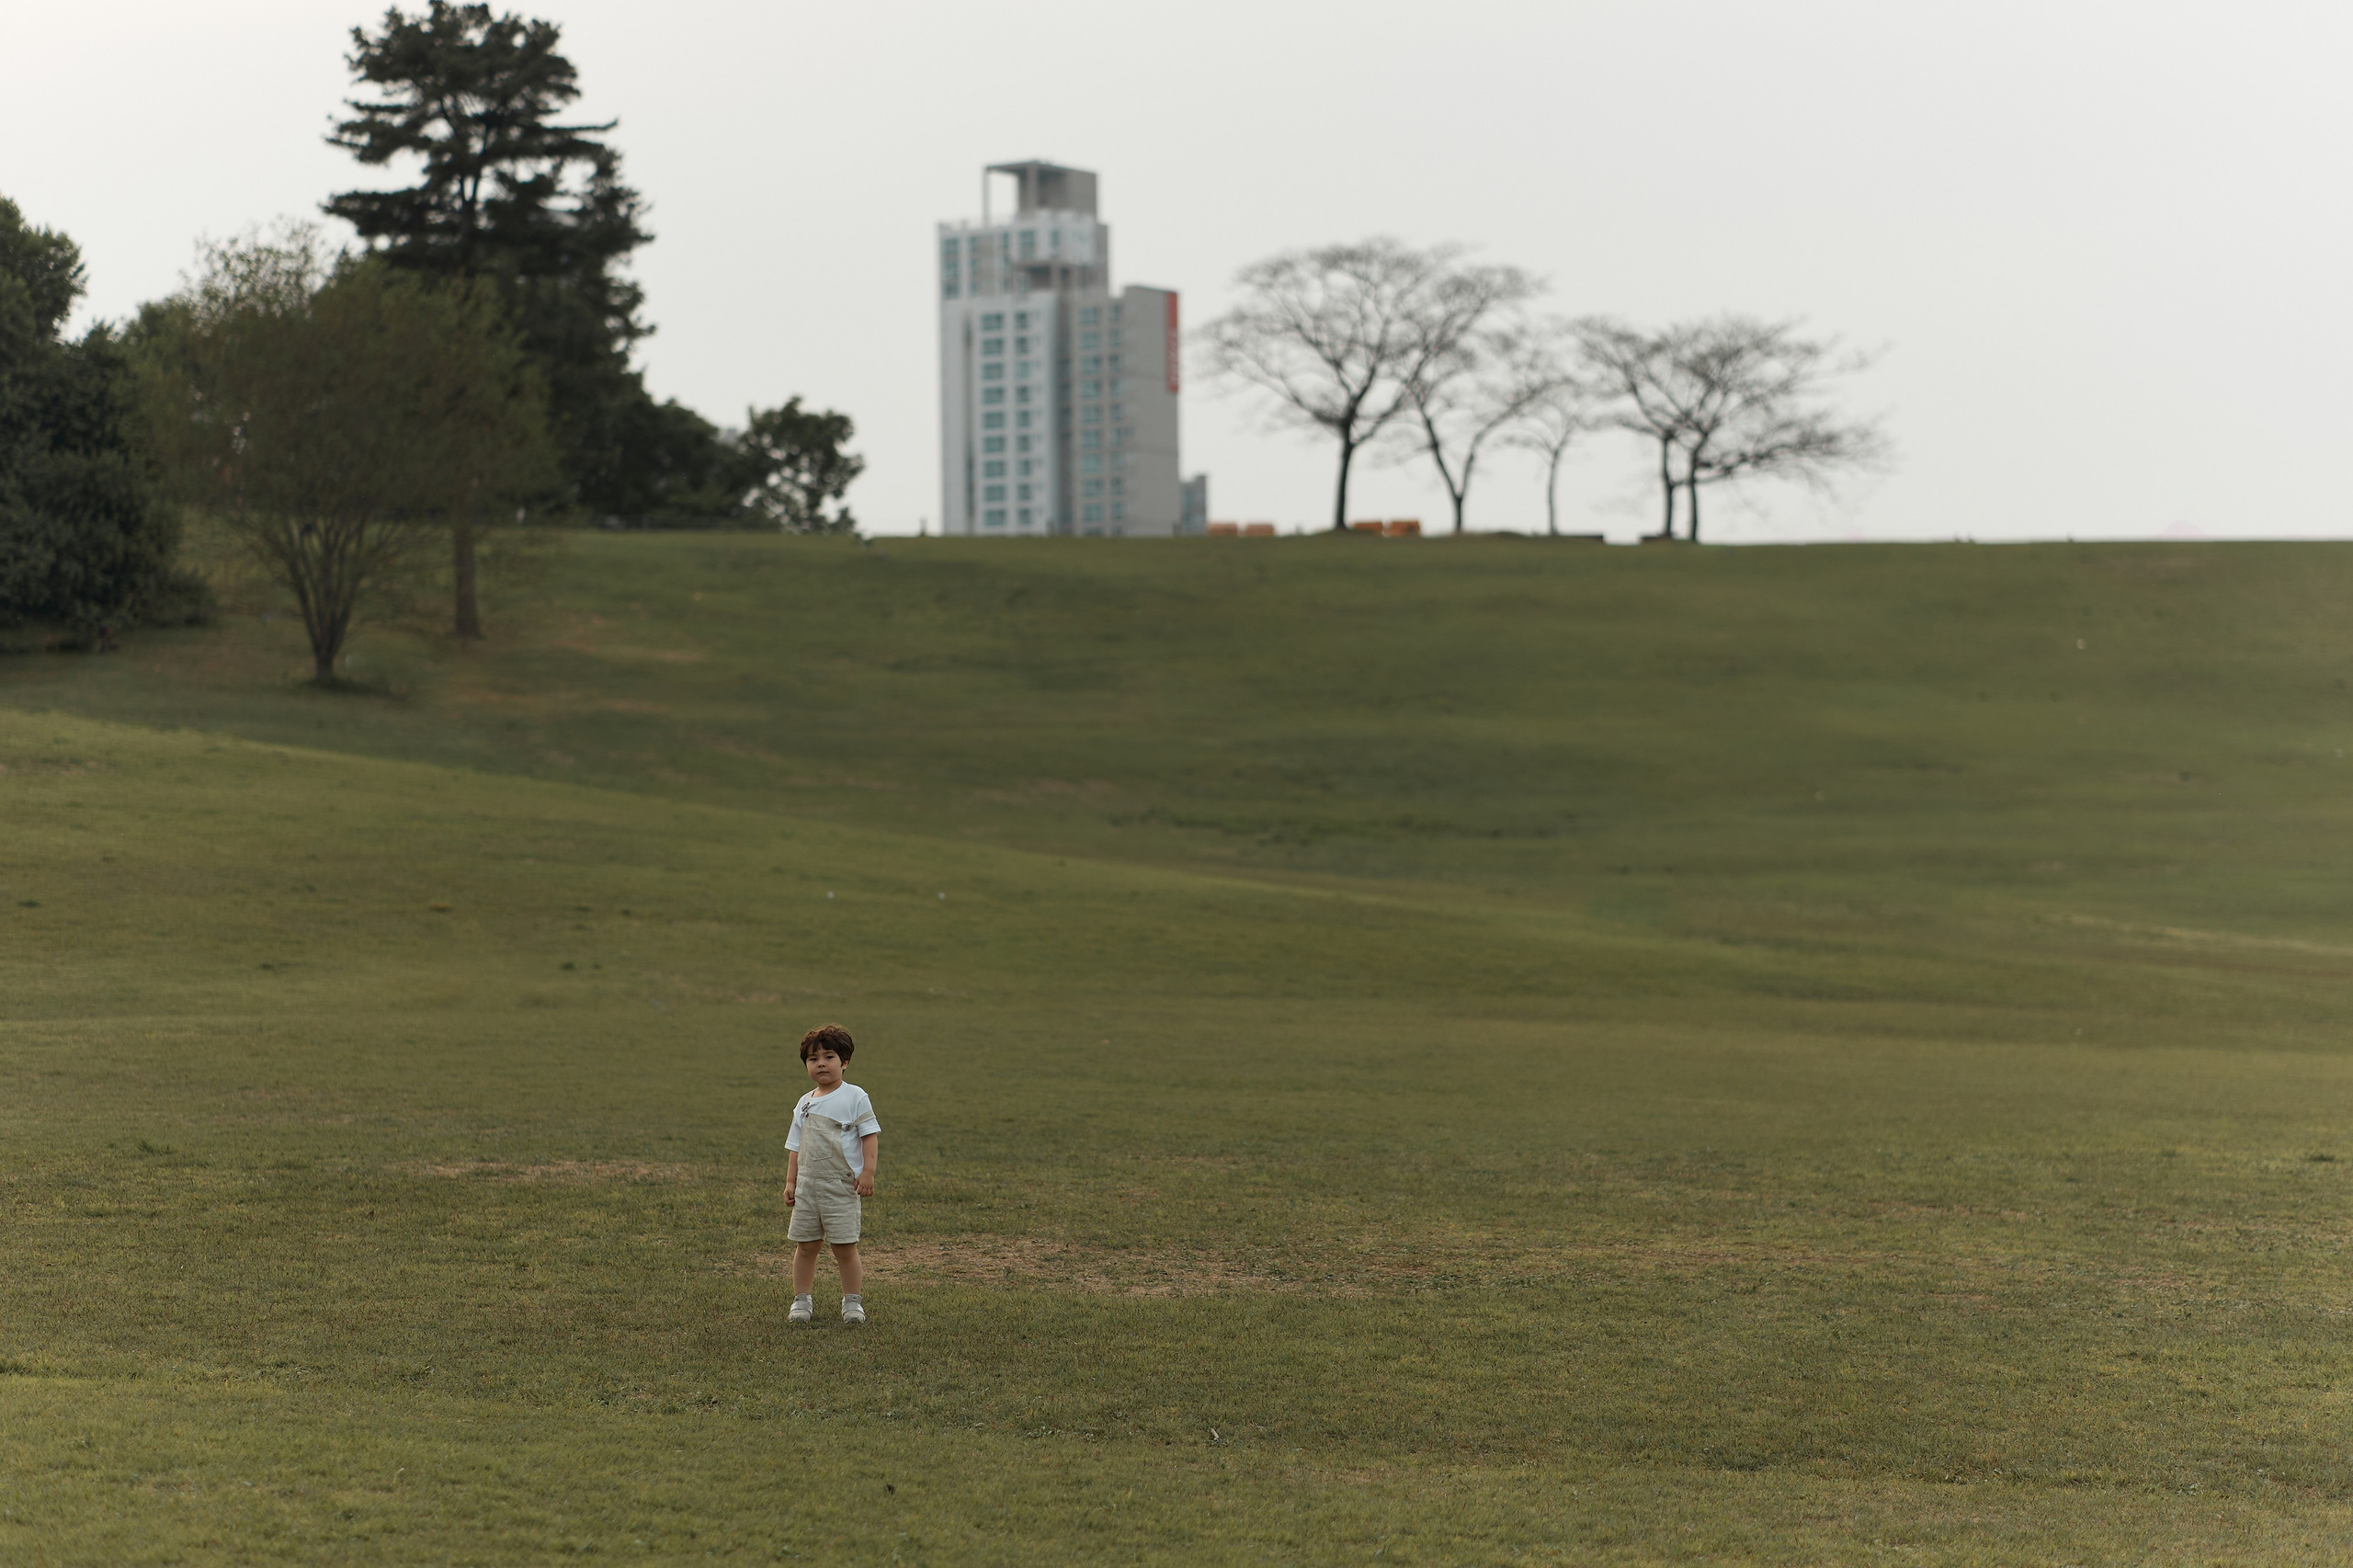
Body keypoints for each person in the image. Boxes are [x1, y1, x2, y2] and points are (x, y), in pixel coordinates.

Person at [784, 1024, 881, 1325]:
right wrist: (791, 1181)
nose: (821, 1064)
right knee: (806, 1246)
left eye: (829, 1057)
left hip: (841, 1186)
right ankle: (801, 1299)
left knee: (844, 1247)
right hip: (807, 1186)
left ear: (845, 1062)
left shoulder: (855, 1096)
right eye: (813, 1059)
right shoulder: (804, 1102)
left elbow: (869, 1135)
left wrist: (868, 1172)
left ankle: (852, 1302)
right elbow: (796, 1145)